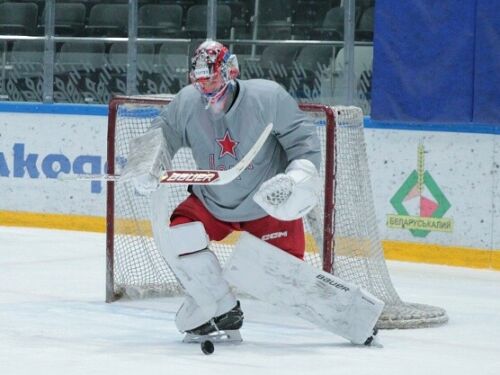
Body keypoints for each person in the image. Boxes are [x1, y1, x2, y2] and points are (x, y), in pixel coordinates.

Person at [131, 40, 322, 338]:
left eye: (214, 81)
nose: (207, 92)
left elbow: (302, 139)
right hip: (212, 202)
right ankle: (220, 306)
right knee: (182, 232)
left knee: (283, 280)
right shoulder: (186, 101)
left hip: (265, 204)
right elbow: (161, 134)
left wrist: (299, 175)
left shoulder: (268, 97)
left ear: (231, 70)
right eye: (200, 82)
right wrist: (147, 164)